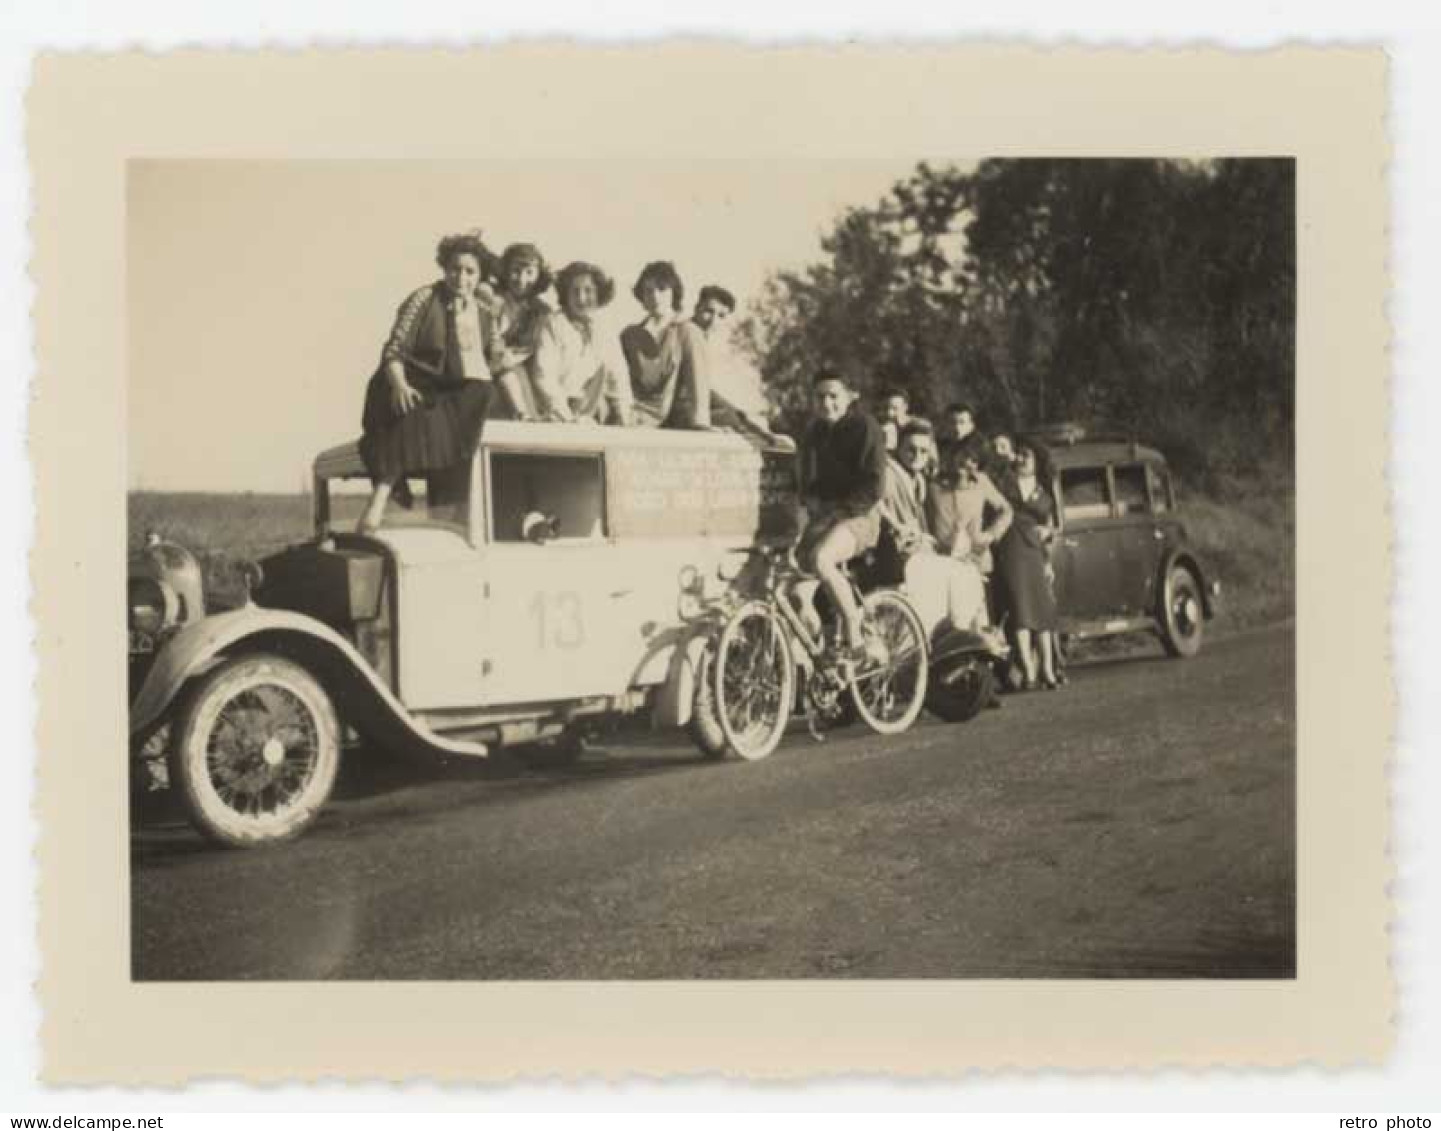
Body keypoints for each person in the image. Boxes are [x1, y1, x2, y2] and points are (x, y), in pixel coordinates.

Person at [357, 230, 497, 533]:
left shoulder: (485, 313)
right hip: (405, 379)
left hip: (448, 389)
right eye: (455, 269)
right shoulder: (424, 298)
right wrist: (399, 385)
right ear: (444, 269)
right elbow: (394, 349)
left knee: (482, 393)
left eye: (470, 271)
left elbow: (494, 360)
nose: (461, 278)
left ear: (480, 275)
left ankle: (455, 511)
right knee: (416, 410)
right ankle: (379, 499)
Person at [797, 369, 888, 660]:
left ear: (851, 396)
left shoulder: (865, 426)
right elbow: (807, 483)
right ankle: (816, 654)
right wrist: (809, 505)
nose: (826, 403)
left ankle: (855, 633)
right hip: (825, 517)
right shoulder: (814, 432)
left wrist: (841, 511)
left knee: (822, 559)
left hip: (859, 515)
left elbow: (874, 486)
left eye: (833, 396)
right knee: (792, 585)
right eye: (820, 396)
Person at [879, 421, 995, 638]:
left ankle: (964, 632)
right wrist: (896, 526)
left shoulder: (920, 480)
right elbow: (874, 502)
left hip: (914, 550)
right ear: (899, 449)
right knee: (956, 575)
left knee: (965, 570)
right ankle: (955, 633)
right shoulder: (888, 475)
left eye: (923, 450)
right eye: (910, 449)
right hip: (893, 553)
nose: (917, 455)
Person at [993, 439, 1063, 689]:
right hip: (1011, 548)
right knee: (1020, 609)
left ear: (1037, 462)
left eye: (1026, 456)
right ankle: (1028, 669)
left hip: (1035, 551)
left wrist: (1048, 554)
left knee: (1042, 611)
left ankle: (1047, 668)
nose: (1020, 459)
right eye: (1019, 454)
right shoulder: (1003, 483)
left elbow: (1052, 526)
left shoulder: (1044, 492)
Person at [926, 434, 1013, 631]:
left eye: (974, 460)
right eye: (963, 455)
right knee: (950, 625)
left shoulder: (981, 482)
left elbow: (1006, 510)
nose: (966, 462)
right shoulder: (932, 483)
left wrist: (991, 534)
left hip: (976, 563)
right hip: (942, 565)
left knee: (980, 625)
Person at [528, 261, 631, 424]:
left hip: (590, 411)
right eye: (575, 292)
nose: (581, 298)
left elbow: (618, 376)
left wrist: (625, 416)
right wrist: (564, 414)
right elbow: (543, 375)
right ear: (565, 295)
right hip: (553, 410)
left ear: (599, 294)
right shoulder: (553, 323)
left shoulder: (606, 329)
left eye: (588, 291)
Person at [619, 261, 711, 429]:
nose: (655, 296)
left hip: (660, 422)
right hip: (624, 415)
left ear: (674, 293)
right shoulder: (629, 335)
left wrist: (701, 424)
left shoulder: (687, 332)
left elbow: (699, 388)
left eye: (662, 289)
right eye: (648, 291)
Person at [483, 242, 553, 420]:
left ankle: (524, 416)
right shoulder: (492, 298)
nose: (522, 279)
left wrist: (506, 360)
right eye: (515, 270)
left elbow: (529, 346)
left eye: (529, 272)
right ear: (505, 271)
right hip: (485, 363)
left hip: (514, 367)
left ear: (538, 275)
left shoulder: (540, 310)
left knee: (516, 377)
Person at [879, 387, 913, 452]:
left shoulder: (920, 426)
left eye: (895, 408)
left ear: (905, 407)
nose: (889, 413)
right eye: (886, 408)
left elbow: (933, 459)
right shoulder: (881, 427)